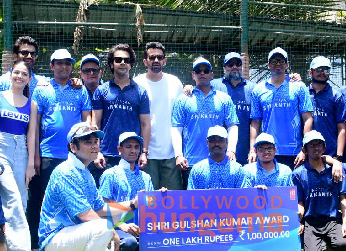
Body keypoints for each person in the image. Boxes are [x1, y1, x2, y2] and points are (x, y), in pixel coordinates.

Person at [40, 122, 129, 251]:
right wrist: (112, 230)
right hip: (56, 239)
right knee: (104, 226)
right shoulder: (65, 171)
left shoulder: (86, 172)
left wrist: (133, 204)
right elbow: (86, 215)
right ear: (73, 147)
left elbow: (100, 208)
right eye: (88, 142)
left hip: (76, 238)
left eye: (96, 141)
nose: (95, 145)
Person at [27, 49, 92, 251]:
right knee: (42, 200)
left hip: (74, 156)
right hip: (47, 155)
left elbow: (87, 120)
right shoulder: (41, 89)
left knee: (75, 200)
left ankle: (73, 243)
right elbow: (34, 125)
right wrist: (35, 156)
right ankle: (36, 244)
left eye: (67, 63)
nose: (64, 66)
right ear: (52, 66)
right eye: (59, 63)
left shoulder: (80, 89)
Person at [0, 60, 39, 251]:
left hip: (21, 151)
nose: (19, 76)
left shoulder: (31, 104)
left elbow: (31, 134)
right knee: (13, 199)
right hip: (0, 148)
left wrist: (30, 165)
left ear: (29, 79)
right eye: (16, 72)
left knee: (22, 202)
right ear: (10, 75)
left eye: (24, 74)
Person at [172, 57, 239, 189]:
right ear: (193, 75)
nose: (202, 73)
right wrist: (178, 155)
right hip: (191, 162)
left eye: (206, 70)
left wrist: (231, 149)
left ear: (212, 75)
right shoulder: (183, 99)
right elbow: (176, 129)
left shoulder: (224, 98)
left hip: (220, 160)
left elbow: (233, 126)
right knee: (193, 205)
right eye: (198, 71)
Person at [91, 44, 151, 186]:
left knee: (130, 199)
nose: (122, 63)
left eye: (126, 60)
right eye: (118, 60)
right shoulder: (101, 91)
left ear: (131, 64)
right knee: (105, 201)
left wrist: (144, 152)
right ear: (112, 64)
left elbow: (145, 124)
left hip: (131, 155)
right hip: (106, 155)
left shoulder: (140, 92)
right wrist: (96, 152)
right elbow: (95, 123)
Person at [250, 47, 314, 169]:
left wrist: (305, 149)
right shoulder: (258, 89)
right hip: (267, 151)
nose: (278, 64)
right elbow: (255, 122)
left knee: (292, 188)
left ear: (287, 64)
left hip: (294, 152)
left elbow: (308, 118)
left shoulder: (299, 87)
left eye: (281, 61)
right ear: (268, 65)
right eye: (274, 61)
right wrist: (253, 149)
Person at [292, 131, 346, 251]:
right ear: (305, 150)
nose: (316, 148)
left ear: (324, 148)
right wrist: (299, 219)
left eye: (319, 144)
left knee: (343, 245)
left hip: (331, 220)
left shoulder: (336, 170)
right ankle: (317, 243)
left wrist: (345, 224)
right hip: (311, 222)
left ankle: (328, 243)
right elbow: (299, 201)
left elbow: (343, 198)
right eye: (311, 145)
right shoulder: (298, 174)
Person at [134, 42, 184, 190]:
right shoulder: (137, 83)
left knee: (173, 201)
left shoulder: (175, 83)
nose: (156, 60)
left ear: (165, 60)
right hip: (146, 154)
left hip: (171, 153)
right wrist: (143, 150)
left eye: (160, 57)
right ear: (145, 61)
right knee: (148, 202)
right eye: (152, 57)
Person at [99, 132, 154, 251]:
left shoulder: (146, 177)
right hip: (117, 230)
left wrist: (161, 196)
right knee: (130, 243)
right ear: (119, 149)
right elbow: (101, 211)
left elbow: (152, 207)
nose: (133, 150)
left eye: (136, 147)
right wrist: (121, 224)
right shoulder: (110, 175)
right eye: (128, 146)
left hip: (141, 232)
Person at [211, 52, 257, 165]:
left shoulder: (252, 88)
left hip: (244, 150)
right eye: (230, 64)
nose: (234, 67)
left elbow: (255, 121)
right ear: (224, 68)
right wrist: (189, 88)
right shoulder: (213, 85)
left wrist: (252, 149)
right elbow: (198, 88)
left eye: (238, 64)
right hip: (217, 149)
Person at [308, 56, 346, 159]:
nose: (322, 73)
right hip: (308, 155)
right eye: (319, 69)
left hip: (330, 154)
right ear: (311, 72)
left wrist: (338, 155)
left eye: (326, 70)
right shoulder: (303, 94)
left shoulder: (336, 96)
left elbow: (342, 128)